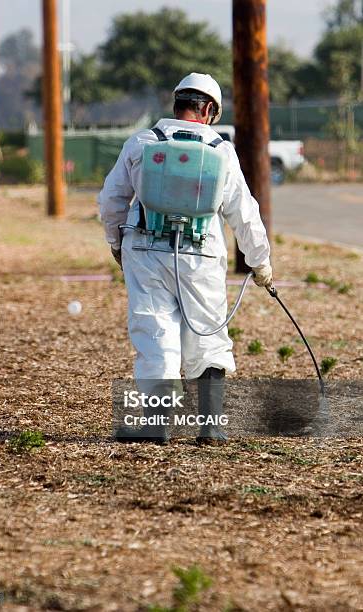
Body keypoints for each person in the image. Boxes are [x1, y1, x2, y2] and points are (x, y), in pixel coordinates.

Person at [98, 73, 272, 445]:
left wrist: (116, 242)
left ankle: (157, 424)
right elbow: (244, 212)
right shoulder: (220, 150)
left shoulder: (142, 143)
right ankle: (210, 427)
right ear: (209, 110)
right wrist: (260, 263)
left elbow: (111, 200)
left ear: (177, 103)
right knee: (208, 331)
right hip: (202, 254)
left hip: (145, 251)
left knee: (155, 332)